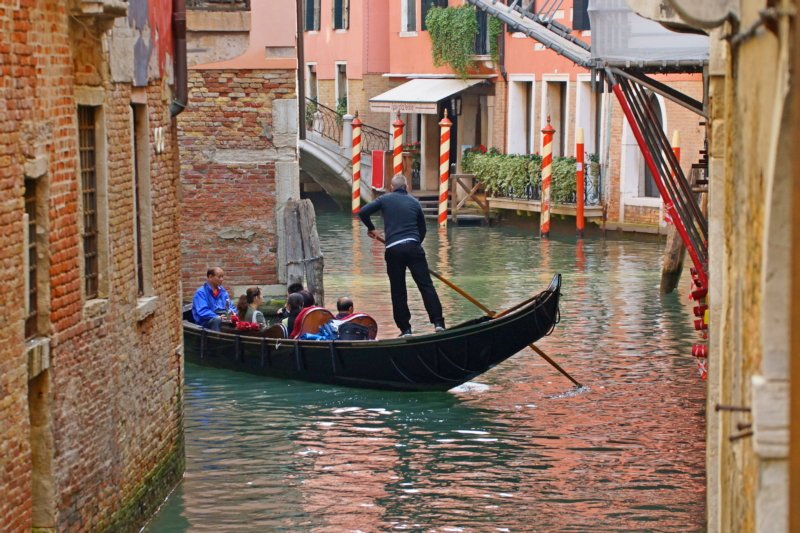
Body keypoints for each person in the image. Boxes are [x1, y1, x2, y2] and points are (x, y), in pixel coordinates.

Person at [358, 173, 445, 336]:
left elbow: (363, 212)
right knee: (426, 286)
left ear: (392, 187)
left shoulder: (384, 199)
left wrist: (371, 228)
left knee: (398, 290)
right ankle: (438, 323)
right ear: (407, 187)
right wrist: (414, 246)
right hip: (413, 246)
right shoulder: (414, 202)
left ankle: (405, 329)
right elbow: (423, 229)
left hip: (393, 249)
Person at [192, 267, 234, 331]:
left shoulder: (223, 291)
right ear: (210, 277)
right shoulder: (201, 293)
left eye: (222, 277)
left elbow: (230, 306)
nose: (222, 279)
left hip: (223, 319)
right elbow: (203, 311)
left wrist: (232, 313)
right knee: (217, 320)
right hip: (206, 324)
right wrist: (216, 316)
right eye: (219, 277)